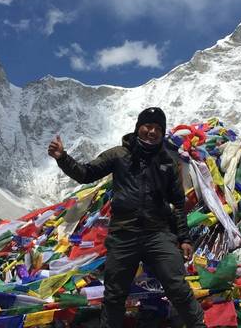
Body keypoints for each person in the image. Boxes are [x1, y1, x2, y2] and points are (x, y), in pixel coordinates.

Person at [48, 107, 206, 328]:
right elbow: (86, 174)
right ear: (138, 127)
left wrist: (185, 238)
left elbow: (178, 203)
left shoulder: (167, 162)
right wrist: (62, 158)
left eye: (158, 128)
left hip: (158, 234)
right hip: (124, 235)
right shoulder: (118, 155)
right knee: (114, 296)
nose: (152, 132)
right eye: (148, 126)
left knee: (177, 287)